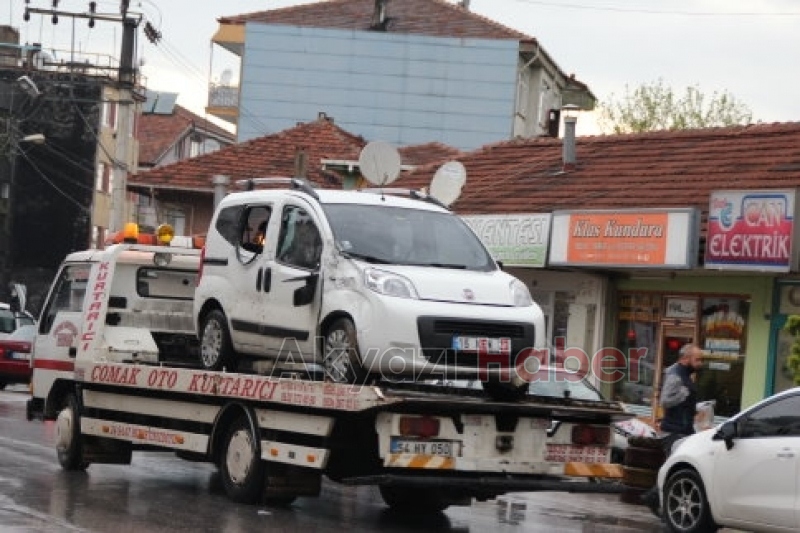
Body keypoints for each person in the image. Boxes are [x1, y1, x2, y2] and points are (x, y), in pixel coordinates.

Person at [641, 343, 705, 515]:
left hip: (684, 429)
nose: (700, 363)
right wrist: (683, 395)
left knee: (679, 468)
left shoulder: (684, 375)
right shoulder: (676, 376)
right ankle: (655, 500)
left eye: (701, 360)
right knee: (675, 469)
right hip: (673, 431)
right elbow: (665, 401)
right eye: (697, 359)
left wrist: (697, 408)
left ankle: (658, 501)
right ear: (685, 359)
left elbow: (683, 404)